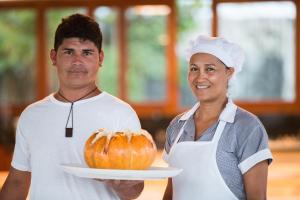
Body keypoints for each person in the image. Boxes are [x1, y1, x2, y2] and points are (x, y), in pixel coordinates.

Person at [0, 13, 144, 200]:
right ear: (54, 57)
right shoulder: (31, 115)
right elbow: (17, 182)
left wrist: (120, 184)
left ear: (100, 58)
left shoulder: (121, 113)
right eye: (69, 52)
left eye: (87, 53)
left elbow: (135, 190)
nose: (77, 61)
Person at [162, 35, 273, 200]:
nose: (200, 77)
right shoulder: (177, 126)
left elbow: (257, 197)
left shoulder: (247, 127)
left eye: (210, 69)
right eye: (194, 69)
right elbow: (172, 191)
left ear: (229, 72)